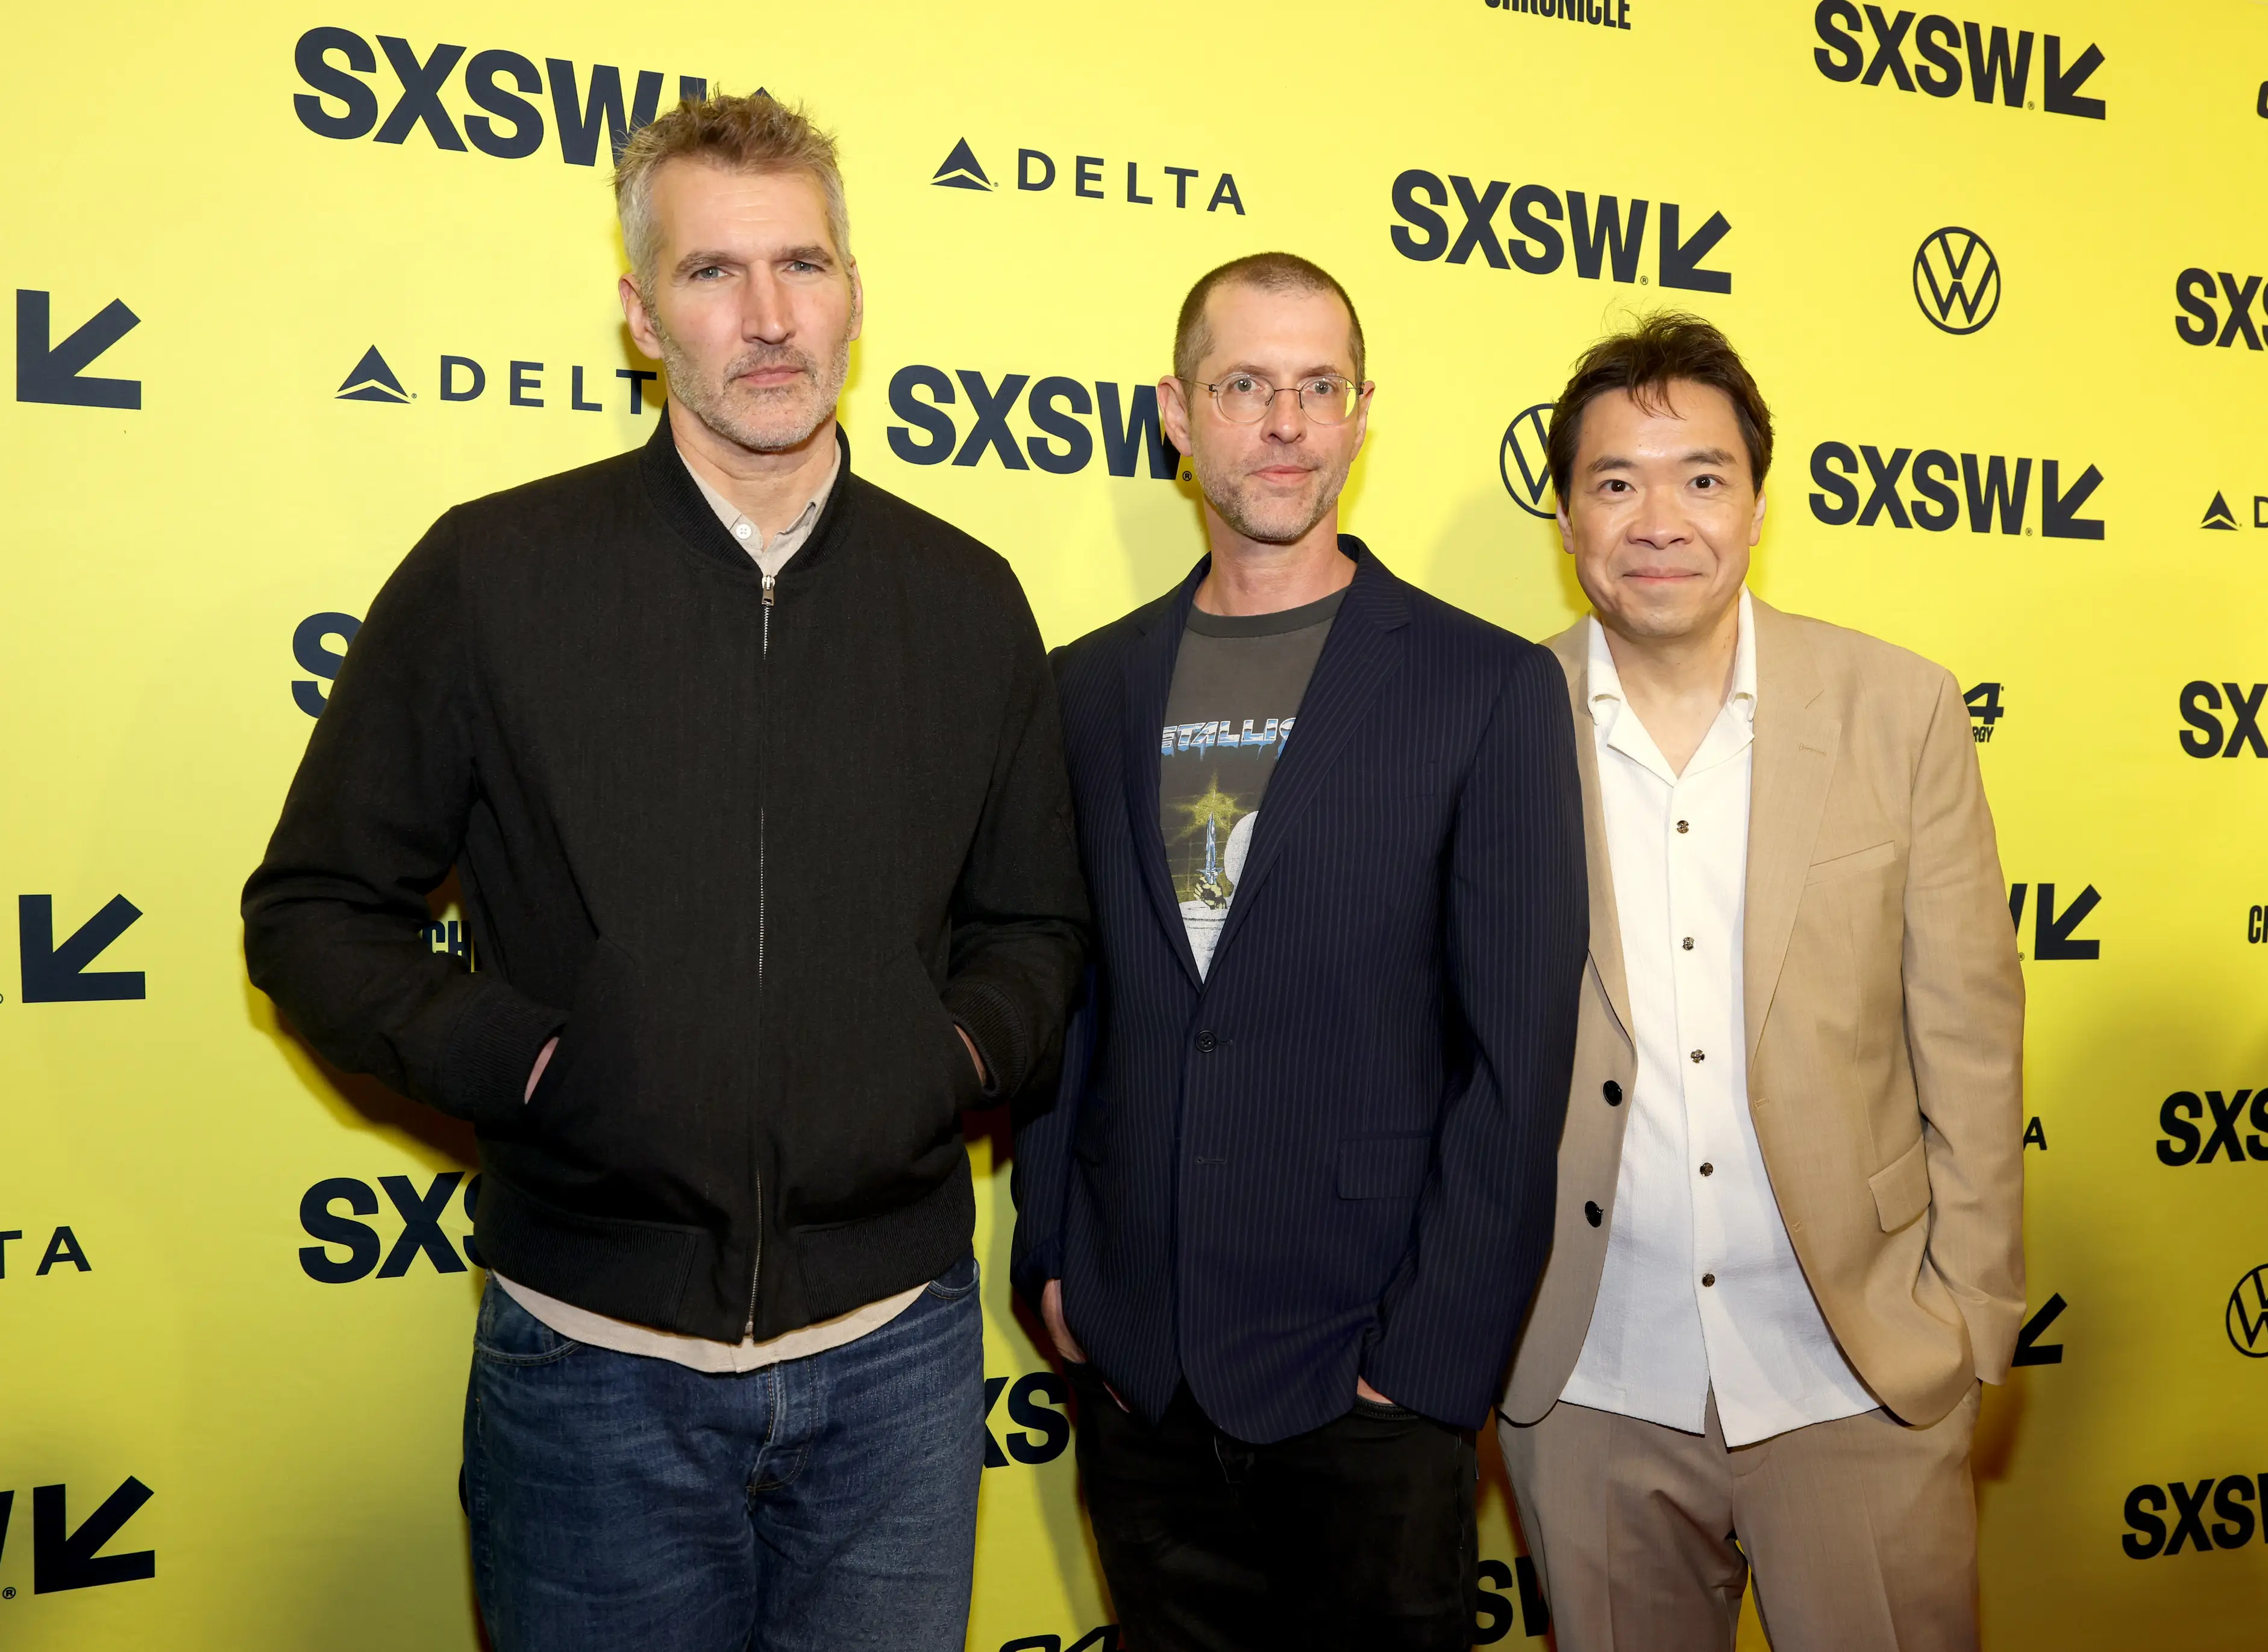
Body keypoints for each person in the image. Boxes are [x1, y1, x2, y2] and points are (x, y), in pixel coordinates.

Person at [242, 93, 1088, 1652]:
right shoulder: (493, 575)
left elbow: (1036, 925)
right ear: (639, 312)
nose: (769, 320)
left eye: (803, 265)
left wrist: (947, 1054)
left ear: (852, 286)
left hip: (897, 1368)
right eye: (712, 274)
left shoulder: (966, 601)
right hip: (590, 1372)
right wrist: (535, 1055)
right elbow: (313, 914)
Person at [1011, 252, 1587, 1651]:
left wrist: (1432, 1362)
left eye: (1318, 388)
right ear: (1177, 412)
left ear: (1361, 413)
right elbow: (1062, 998)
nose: (1284, 422)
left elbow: (1520, 1057)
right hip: (1141, 1369)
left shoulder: (1483, 684)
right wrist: (1051, 1258)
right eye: (1245, 386)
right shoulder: (1085, 686)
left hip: (1370, 1380)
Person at [1497, 313, 2026, 1652]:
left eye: (1702, 477)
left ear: (1759, 502)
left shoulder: (1898, 709)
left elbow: (1968, 1037)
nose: (1659, 517)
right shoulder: (1489, 724)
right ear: (1565, 518)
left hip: (1860, 1374)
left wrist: (1968, 1324)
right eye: (1616, 482)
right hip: (1591, 1382)